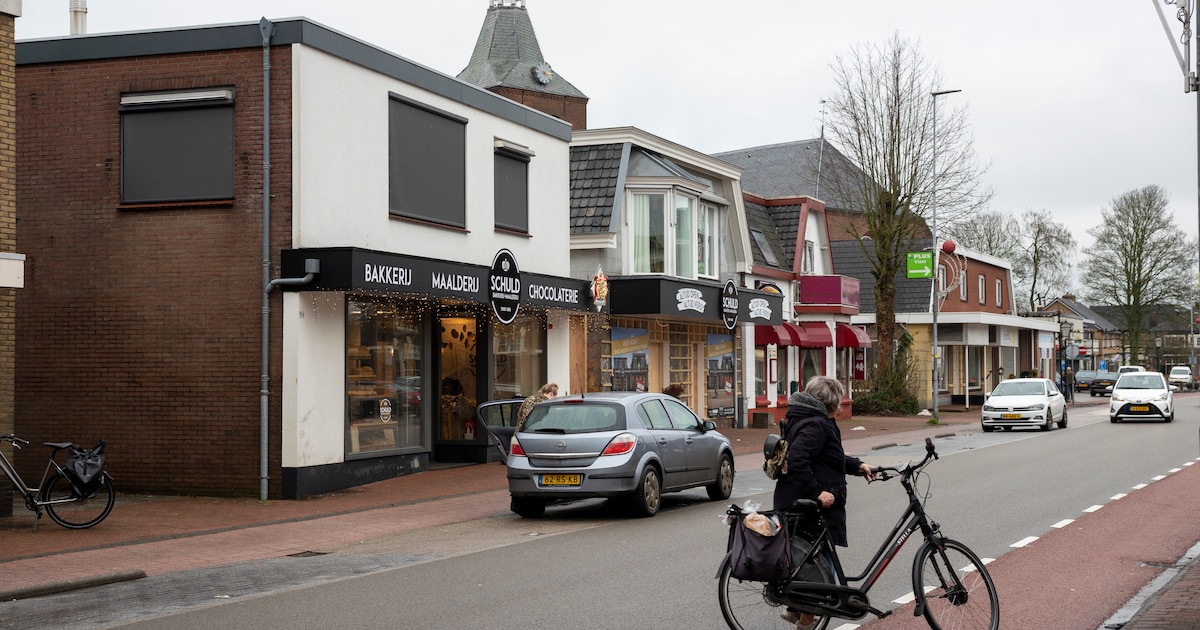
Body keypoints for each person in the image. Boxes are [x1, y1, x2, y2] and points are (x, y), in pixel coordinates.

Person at [774, 376, 875, 630]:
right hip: (812, 504)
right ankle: (808, 617)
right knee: (823, 558)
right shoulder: (817, 424)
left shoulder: (805, 418)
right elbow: (798, 460)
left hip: (798, 500)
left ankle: (797, 608)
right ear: (830, 403)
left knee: (810, 556)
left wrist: (857, 465)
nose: (840, 408)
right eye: (838, 402)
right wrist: (818, 492)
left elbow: (829, 457)